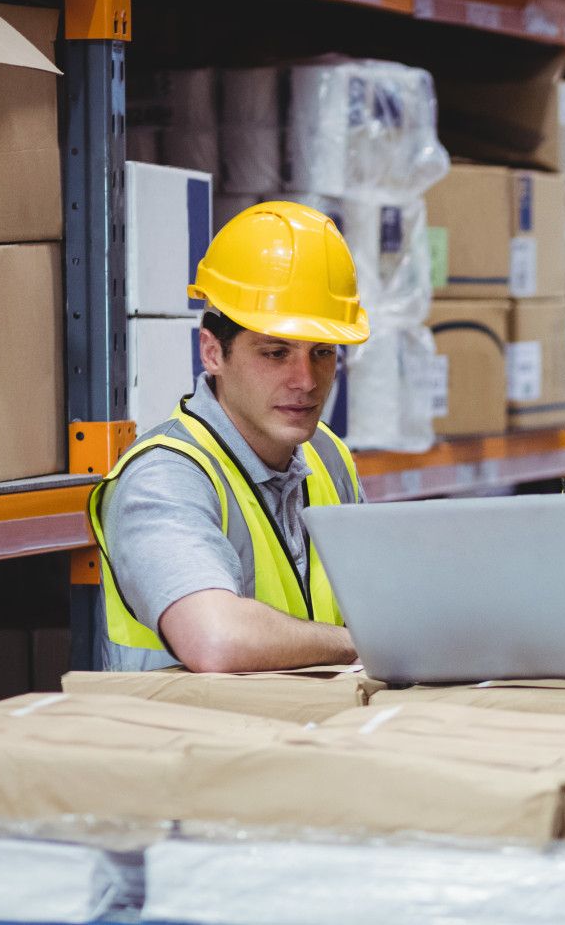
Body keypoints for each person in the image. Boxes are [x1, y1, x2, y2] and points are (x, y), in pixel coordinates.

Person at [90, 201, 370, 674]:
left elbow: (384, 602)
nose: (306, 380)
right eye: (276, 352)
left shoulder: (327, 454)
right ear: (212, 352)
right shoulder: (164, 478)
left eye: (322, 352)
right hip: (189, 742)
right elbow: (214, 638)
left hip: (310, 735)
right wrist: (360, 643)